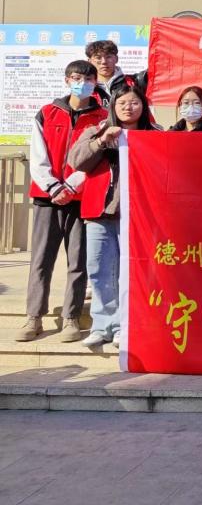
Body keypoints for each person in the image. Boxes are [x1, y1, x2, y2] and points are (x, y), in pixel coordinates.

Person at [16, 61, 107, 343]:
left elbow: (97, 158)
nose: (82, 83)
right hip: (47, 197)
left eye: (88, 79)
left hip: (81, 198)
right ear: (67, 80)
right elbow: (37, 155)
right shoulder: (47, 112)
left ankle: (71, 317)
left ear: (95, 82)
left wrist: (71, 185)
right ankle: (34, 317)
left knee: (78, 262)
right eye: (77, 78)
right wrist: (54, 186)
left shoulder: (103, 117)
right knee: (41, 260)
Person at [68, 85, 160, 347]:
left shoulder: (154, 134)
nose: (128, 108)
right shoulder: (95, 131)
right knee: (98, 269)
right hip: (100, 212)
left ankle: (124, 325)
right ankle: (102, 325)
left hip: (137, 215)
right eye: (122, 103)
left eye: (134, 103)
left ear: (143, 106)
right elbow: (76, 161)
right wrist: (100, 142)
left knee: (129, 271)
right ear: (113, 107)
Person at [85, 39, 148, 108]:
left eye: (108, 57)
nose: (104, 61)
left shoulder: (136, 81)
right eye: (98, 57)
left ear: (116, 59)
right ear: (89, 61)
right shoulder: (84, 87)